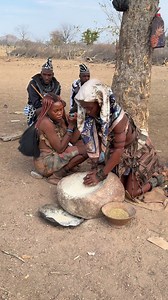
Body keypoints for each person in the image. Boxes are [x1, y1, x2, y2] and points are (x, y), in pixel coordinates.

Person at [74, 79, 165, 199]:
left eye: (89, 107)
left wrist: (100, 175)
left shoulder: (118, 120)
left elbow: (119, 150)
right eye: (84, 107)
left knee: (130, 193)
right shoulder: (93, 116)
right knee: (115, 186)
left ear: (100, 102)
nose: (86, 111)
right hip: (120, 153)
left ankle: (159, 178)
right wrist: (97, 165)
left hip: (138, 152)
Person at [33, 94, 88, 185]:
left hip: (55, 153)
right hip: (45, 162)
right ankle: (57, 175)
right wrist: (70, 126)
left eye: (61, 109)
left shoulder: (59, 119)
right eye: (56, 111)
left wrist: (78, 124)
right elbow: (60, 148)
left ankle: (67, 167)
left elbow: (71, 141)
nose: (60, 113)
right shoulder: (45, 122)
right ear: (47, 111)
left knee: (87, 144)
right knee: (87, 149)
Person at [24, 58, 61, 126]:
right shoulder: (33, 84)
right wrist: (48, 106)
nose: (46, 77)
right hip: (36, 109)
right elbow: (35, 103)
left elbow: (57, 100)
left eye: (49, 75)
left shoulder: (57, 85)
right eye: (44, 74)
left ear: (52, 74)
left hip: (52, 109)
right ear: (41, 74)